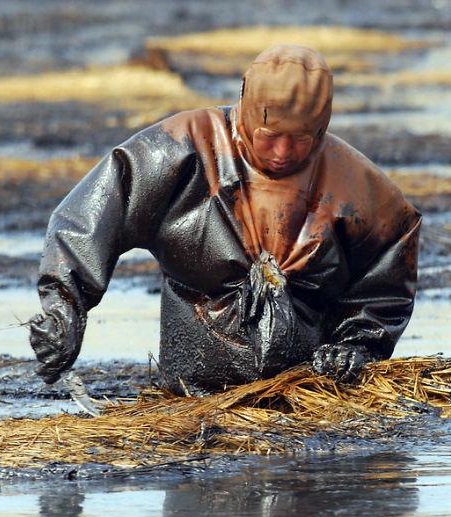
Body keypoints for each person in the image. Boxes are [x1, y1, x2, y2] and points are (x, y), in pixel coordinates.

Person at [28, 44, 421, 396]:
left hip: (308, 394)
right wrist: (65, 307)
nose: (282, 152)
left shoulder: (356, 186)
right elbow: (91, 216)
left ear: (323, 126)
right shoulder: (182, 149)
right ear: (245, 104)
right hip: (190, 392)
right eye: (269, 134)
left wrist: (359, 347)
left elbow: (387, 274)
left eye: (301, 139)